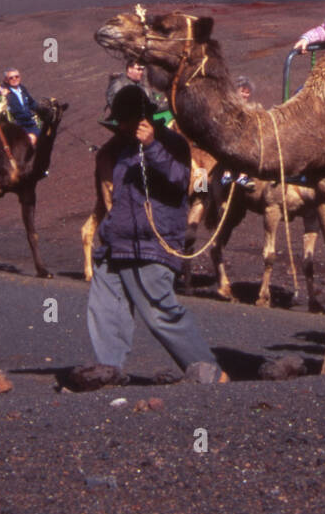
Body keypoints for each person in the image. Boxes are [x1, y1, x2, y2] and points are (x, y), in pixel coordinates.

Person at [87, 85, 227, 381]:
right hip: (118, 242)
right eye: (120, 120)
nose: (121, 126)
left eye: (126, 119)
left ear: (144, 118)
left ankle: (209, 372)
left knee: (160, 312)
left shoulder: (174, 142)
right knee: (105, 310)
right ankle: (107, 372)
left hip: (152, 243)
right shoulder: (119, 149)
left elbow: (180, 180)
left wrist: (151, 146)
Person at [2, 68, 43, 146]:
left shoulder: (22, 89)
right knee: (30, 141)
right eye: (11, 78)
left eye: (17, 76)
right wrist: (2, 96)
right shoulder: (4, 92)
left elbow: (32, 103)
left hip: (30, 123)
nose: (14, 79)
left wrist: (42, 109)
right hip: (17, 126)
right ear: (6, 80)